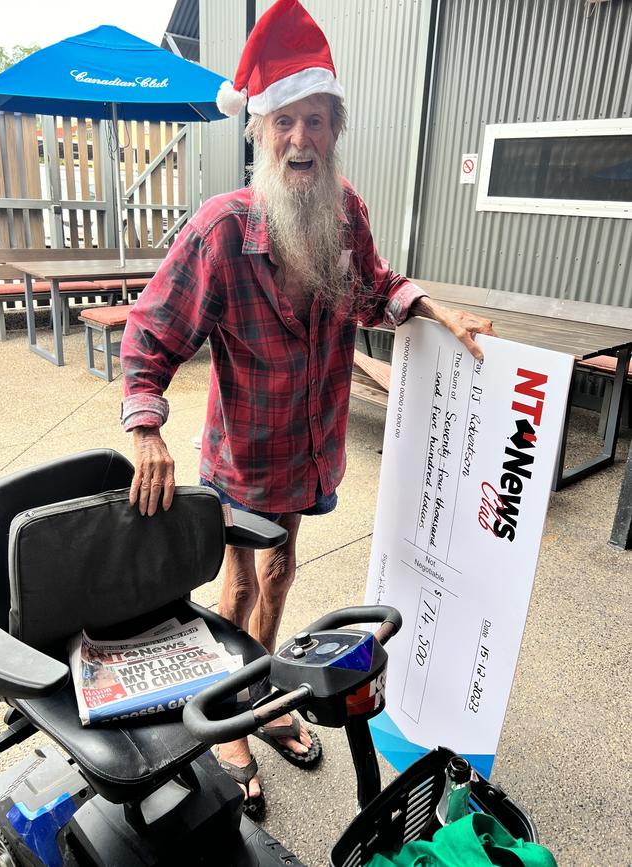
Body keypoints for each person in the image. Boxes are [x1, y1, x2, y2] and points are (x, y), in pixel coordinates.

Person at [120, 0, 494, 820]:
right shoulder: (222, 230)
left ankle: (267, 694)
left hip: (311, 454)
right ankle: (231, 724)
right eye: (285, 120)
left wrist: (436, 310)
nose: (301, 139)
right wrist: (145, 428)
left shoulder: (343, 209)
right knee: (239, 582)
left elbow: (376, 286)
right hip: (243, 457)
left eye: (316, 121)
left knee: (282, 571)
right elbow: (151, 334)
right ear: (260, 130)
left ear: (333, 130)